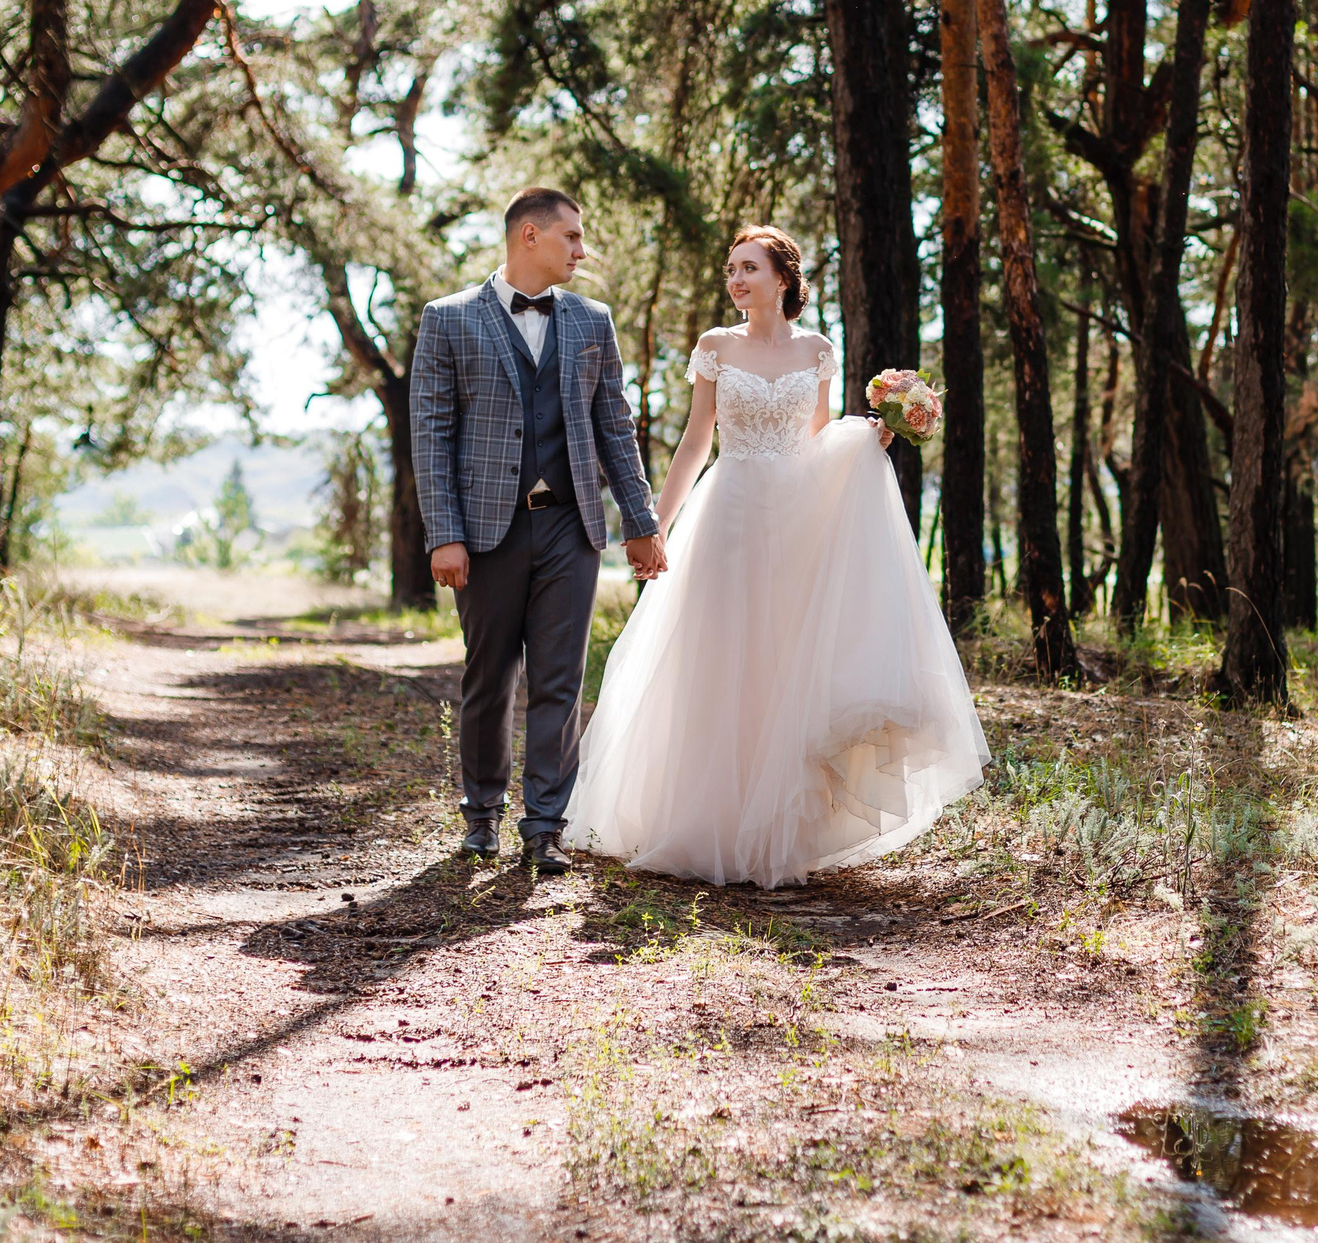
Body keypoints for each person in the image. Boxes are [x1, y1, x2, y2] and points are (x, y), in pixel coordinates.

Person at [562, 225, 988, 887]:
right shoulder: (715, 346)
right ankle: (710, 818)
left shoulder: (817, 350)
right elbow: (696, 441)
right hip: (729, 512)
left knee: (786, 661)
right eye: (731, 269)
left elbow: (816, 442)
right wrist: (654, 524)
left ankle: (781, 826)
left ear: (782, 278)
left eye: (749, 268)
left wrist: (869, 437)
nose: (736, 279)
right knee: (722, 658)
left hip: (794, 517)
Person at [410, 188, 667, 876]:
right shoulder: (448, 319)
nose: (582, 250)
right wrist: (444, 533)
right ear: (530, 235)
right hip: (485, 530)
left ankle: (545, 825)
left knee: (560, 681)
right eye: (571, 236)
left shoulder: (592, 321)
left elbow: (616, 428)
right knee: (489, 677)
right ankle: (481, 815)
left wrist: (640, 522)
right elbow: (431, 434)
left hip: (570, 528)